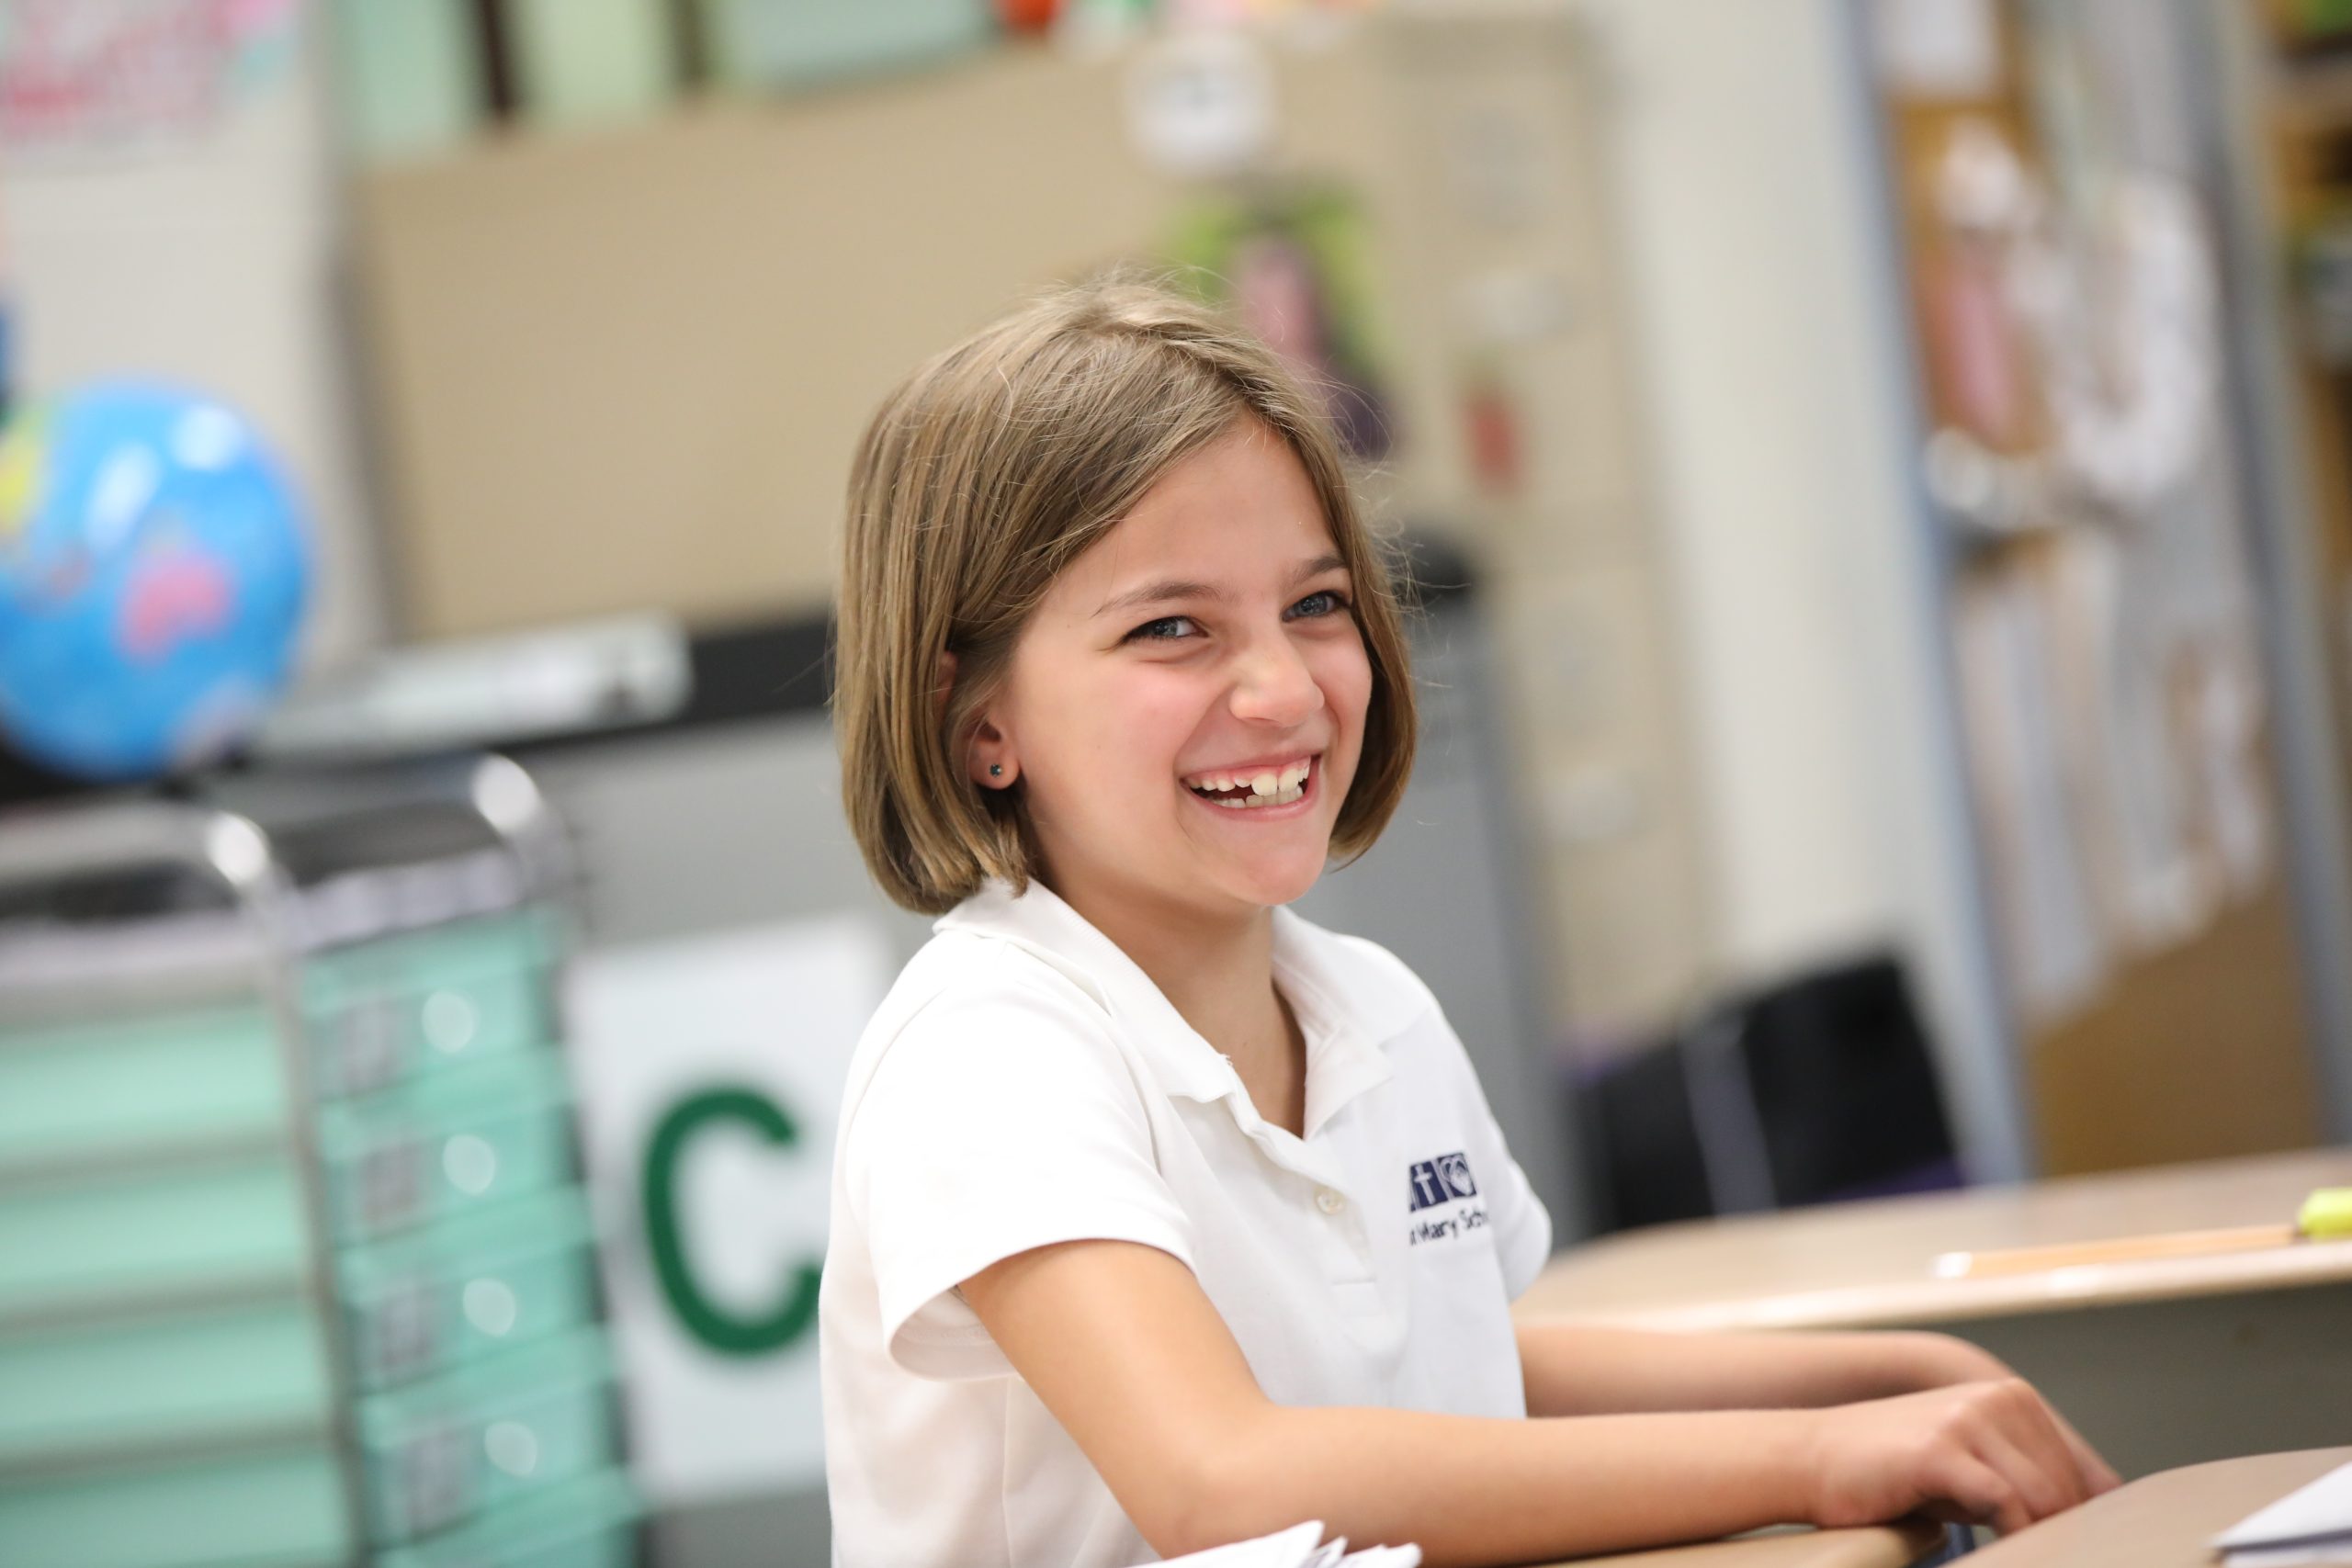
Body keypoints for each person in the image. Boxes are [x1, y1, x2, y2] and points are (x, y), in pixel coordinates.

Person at [819, 275, 2118, 1568]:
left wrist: (1871, 1386)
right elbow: (1219, 1480)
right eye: (1172, 629)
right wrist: (1816, 1459)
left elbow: (1462, 1385)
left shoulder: (1372, 1008)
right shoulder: (989, 1049)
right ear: (976, 719)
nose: (1282, 690)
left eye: (1316, 605)